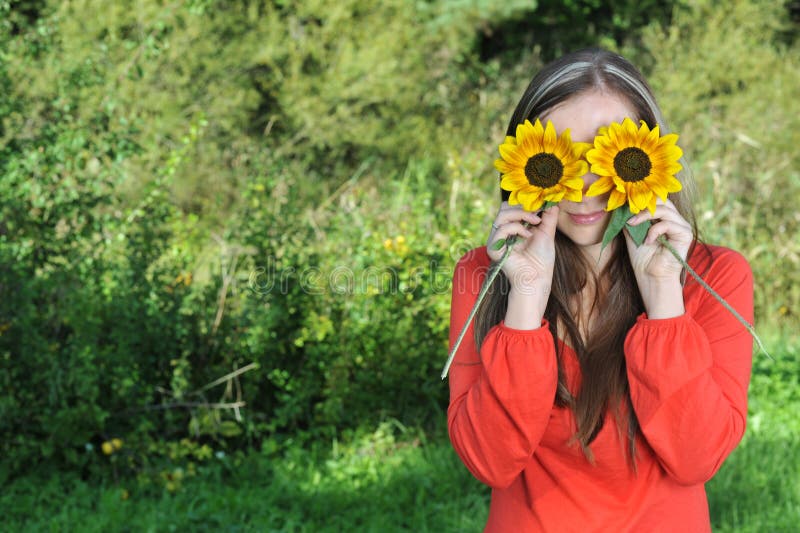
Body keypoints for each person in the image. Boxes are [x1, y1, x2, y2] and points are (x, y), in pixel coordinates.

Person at [446, 47, 754, 532]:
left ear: (649, 159)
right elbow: (490, 462)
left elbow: (697, 459)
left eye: (608, 154)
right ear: (526, 163)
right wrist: (525, 295)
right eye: (561, 158)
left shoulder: (715, 277)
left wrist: (663, 296)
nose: (585, 187)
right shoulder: (482, 275)